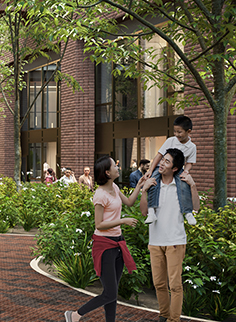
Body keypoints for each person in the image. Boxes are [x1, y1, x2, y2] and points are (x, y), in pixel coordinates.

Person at [64, 156, 146, 322]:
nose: (118, 167)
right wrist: (123, 220)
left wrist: (140, 185)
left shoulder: (114, 187)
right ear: (108, 172)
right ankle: (75, 315)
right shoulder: (100, 195)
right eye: (114, 166)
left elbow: (130, 202)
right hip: (104, 246)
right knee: (110, 293)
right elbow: (99, 224)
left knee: (112, 292)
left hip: (118, 243)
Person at [140, 149, 200, 322]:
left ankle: (174, 320)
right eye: (162, 160)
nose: (161, 163)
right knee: (159, 284)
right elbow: (144, 212)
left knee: (175, 285)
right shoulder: (154, 185)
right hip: (155, 241)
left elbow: (196, 207)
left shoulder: (181, 185)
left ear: (175, 168)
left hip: (175, 241)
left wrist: (193, 184)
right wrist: (144, 190)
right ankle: (163, 315)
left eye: (167, 162)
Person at [145, 115, 197, 225]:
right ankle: (151, 211)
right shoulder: (171, 141)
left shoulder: (192, 147)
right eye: (175, 131)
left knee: (184, 185)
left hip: (178, 169)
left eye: (179, 132)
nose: (176, 134)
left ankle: (188, 212)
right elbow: (159, 156)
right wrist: (151, 170)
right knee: (152, 182)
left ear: (189, 131)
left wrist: (185, 171)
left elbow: (190, 163)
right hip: (162, 167)